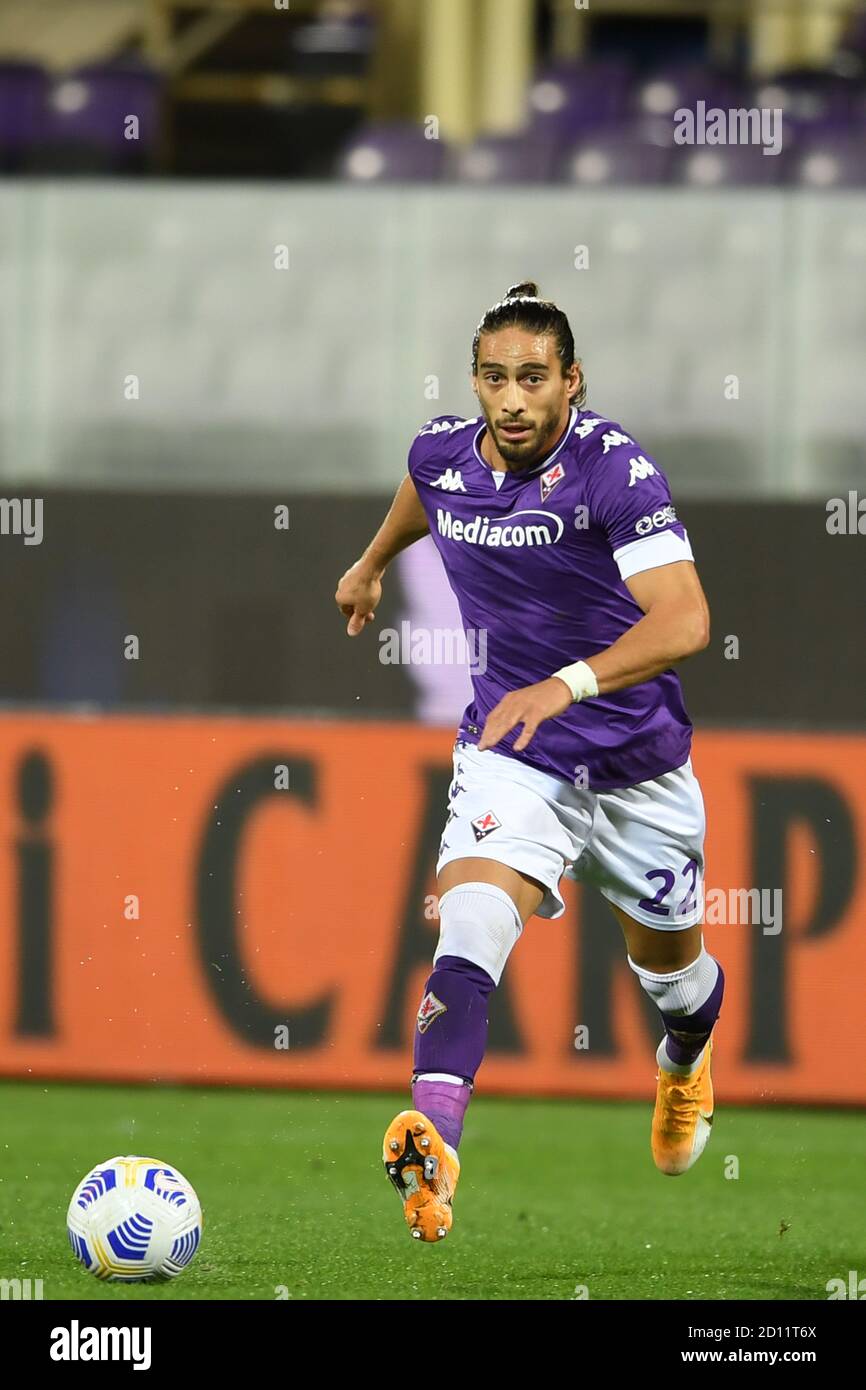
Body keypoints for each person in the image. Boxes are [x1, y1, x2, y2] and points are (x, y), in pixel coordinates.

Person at [334, 283, 721, 1243]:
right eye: (495, 379)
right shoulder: (444, 454)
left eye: (533, 380)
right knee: (469, 919)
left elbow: (688, 621)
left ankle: (683, 1066)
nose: (511, 400)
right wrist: (372, 562)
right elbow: (426, 492)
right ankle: (439, 1144)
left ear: (571, 382)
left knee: (675, 982)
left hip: (637, 770)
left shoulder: (613, 472)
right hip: (515, 756)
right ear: (475, 382)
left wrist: (566, 684)